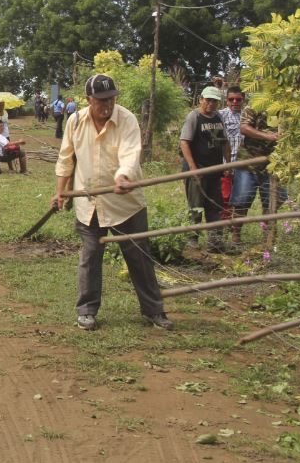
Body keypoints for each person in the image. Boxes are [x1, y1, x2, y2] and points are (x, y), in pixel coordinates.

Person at [52, 74, 173, 331]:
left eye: (111, 98)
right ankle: (86, 310)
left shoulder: (126, 119)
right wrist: (60, 192)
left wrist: (123, 176)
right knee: (91, 255)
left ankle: (154, 310)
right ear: (89, 100)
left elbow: (130, 153)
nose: (107, 104)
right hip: (90, 202)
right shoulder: (74, 121)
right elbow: (66, 159)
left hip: (126, 203)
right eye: (101, 100)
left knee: (139, 256)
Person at [230, 94, 287, 243]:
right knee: (242, 200)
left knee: (274, 200)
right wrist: (269, 137)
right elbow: (243, 127)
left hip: (274, 163)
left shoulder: (286, 108)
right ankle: (236, 236)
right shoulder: (255, 105)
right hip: (248, 161)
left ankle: (268, 237)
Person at [179, 86, 230, 252]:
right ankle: (192, 241)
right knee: (196, 205)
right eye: (208, 100)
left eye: (214, 101)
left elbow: (225, 142)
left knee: (215, 204)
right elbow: (184, 142)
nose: (210, 104)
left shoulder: (218, 117)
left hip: (214, 168)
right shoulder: (194, 117)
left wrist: (227, 164)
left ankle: (215, 242)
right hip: (197, 168)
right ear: (201, 99)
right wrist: (193, 169)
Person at [218, 86, 244, 222]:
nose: (235, 102)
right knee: (225, 196)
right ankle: (224, 224)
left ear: (243, 100)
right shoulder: (220, 115)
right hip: (226, 163)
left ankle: (235, 224)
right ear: (227, 100)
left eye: (238, 99)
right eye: (231, 99)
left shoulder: (247, 115)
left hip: (243, 164)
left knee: (240, 197)